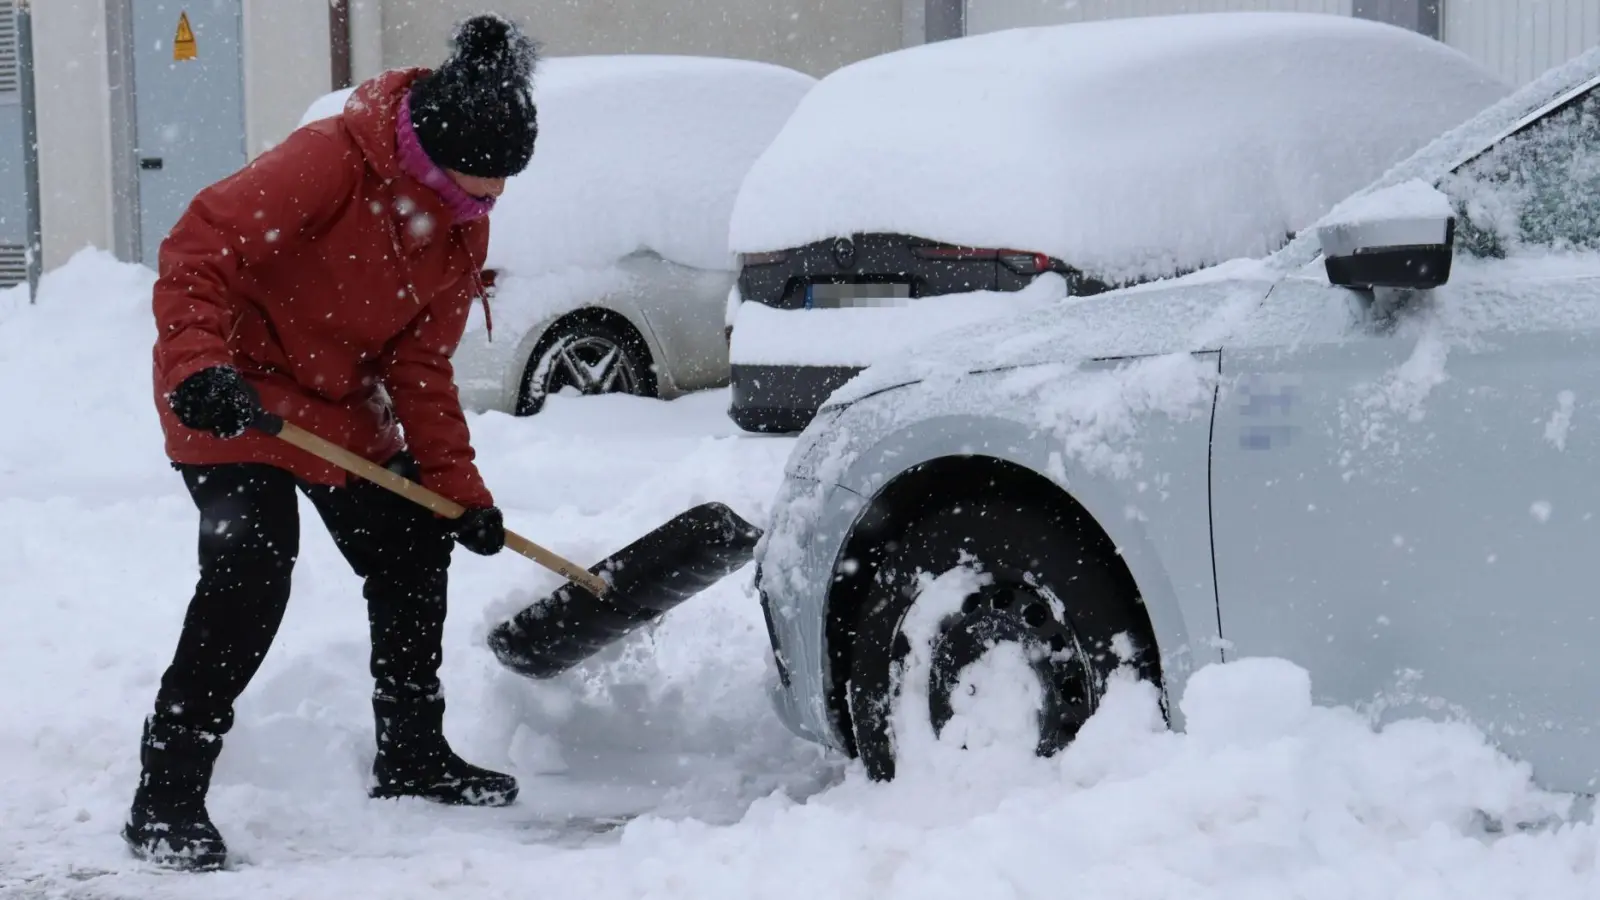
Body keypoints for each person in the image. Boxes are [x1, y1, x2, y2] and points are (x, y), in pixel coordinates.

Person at [123, 13, 540, 872]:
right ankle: (166, 790)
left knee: (416, 545)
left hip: (336, 408)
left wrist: (460, 493)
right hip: (231, 392)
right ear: (433, 152)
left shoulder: (461, 217)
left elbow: (421, 362)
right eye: (478, 187)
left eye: (497, 191)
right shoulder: (332, 162)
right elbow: (197, 252)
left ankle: (413, 752)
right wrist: (200, 365)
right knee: (252, 563)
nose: (488, 204)